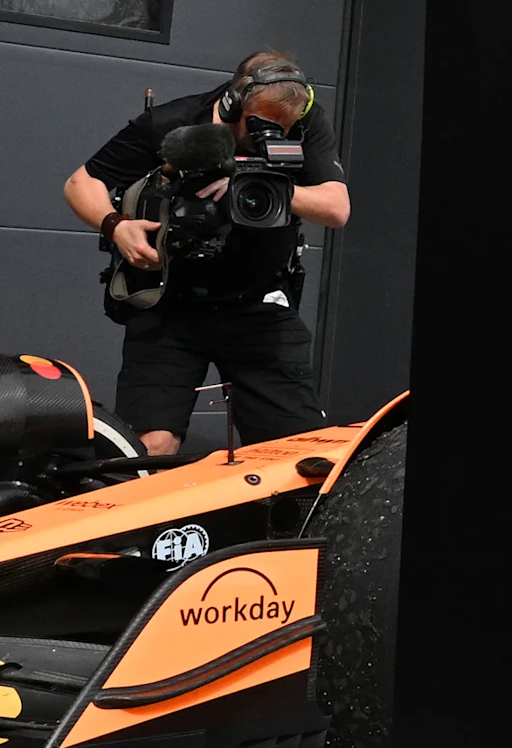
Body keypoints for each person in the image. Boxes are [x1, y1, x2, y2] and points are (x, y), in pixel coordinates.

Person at [64, 50, 347, 453]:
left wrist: (251, 179)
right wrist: (117, 226)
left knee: (295, 453)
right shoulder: (172, 122)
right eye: (259, 126)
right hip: (169, 305)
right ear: (232, 102)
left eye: (283, 129)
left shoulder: (306, 122)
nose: (272, 135)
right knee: (151, 447)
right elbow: (80, 183)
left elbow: (336, 208)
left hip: (259, 306)